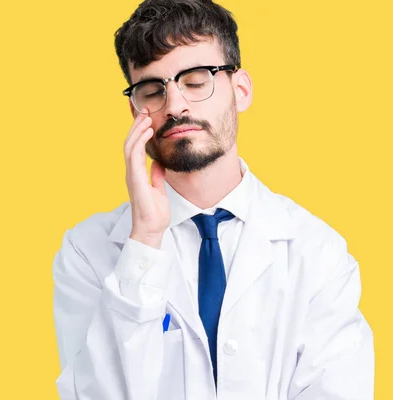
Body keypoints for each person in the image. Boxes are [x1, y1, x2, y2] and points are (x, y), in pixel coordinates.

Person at [52, 0, 375, 398]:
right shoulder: (87, 253)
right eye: (152, 90)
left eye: (196, 79)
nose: (174, 106)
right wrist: (145, 243)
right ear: (135, 109)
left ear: (240, 90)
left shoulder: (319, 255)